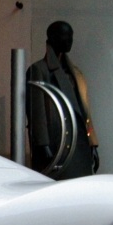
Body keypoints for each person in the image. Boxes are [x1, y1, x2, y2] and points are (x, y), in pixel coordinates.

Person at [26, 20, 98, 179]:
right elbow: (37, 114)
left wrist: (93, 143)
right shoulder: (39, 70)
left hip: (78, 144)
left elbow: (84, 110)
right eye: (64, 36)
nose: (69, 40)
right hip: (57, 145)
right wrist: (42, 145)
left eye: (71, 36)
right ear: (52, 37)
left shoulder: (76, 73)